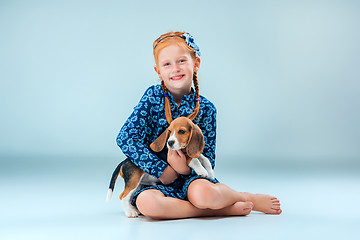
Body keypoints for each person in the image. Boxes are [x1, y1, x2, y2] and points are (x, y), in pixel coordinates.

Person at [116, 31, 282, 220]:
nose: (175, 69)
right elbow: (126, 137)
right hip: (155, 180)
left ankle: (244, 197)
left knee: (205, 194)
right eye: (167, 64)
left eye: (181, 61)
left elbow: (208, 158)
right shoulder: (152, 98)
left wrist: (183, 169)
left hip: (191, 179)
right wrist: (161, 169)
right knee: (148, 205)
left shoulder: (207, 108)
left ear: (196, 64)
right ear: (158, 71)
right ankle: (223, 209)